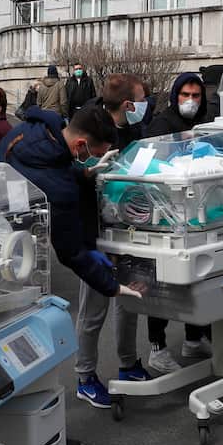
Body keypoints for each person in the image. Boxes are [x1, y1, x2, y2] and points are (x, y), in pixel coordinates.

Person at [0, 104, 147, 408]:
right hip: (19, 254)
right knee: (28, 340)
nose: (90, 157)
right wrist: (111, 286)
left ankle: (31, 413)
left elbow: (59, 169)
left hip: (6, 238)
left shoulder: (36, 134)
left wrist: (86, 172)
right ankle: (40, 411)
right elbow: (70, 252)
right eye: (92, 153)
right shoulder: (58, 187)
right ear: (80, 144)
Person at [54, 74, 154, 408]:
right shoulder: (88, 126)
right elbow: (73, 179)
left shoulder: (133, 129)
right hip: (95, 232)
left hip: (130, 227)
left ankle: (128, 363)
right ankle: (85, 376)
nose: (144, 105)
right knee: (93, 309)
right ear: (127, 104)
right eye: (140, 99)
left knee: (130, 301)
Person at [142, 72, 212, 374]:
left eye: (196, 96)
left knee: (197, 279)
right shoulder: (162, 124)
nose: (191, 101)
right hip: (166, 213)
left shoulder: (205, 122)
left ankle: (194, 338)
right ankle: (157, 347)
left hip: (197, 213)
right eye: (185, 95)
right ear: (175, 96)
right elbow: (149, 163)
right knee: (163, 283)